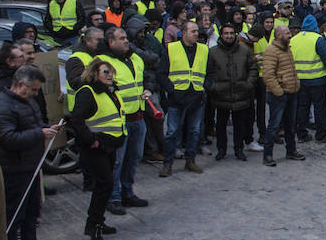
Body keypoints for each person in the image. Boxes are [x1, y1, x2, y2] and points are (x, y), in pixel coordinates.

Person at [0, 65, 60, 240]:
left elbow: (33, 126)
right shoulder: (2, 106)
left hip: (31, 165)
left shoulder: (26, 102)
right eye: (34, 90)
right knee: (14, 213)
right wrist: (40, 134)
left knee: (31, 210)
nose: (36, 94)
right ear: (20, 85)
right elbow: (7, 139)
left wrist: (47, 128)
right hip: (14, 168)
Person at [66, 58, 126, 240]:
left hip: (109, 146)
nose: (110, 75)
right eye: (105, 72)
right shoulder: (87, 92)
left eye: (111, 72)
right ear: (95, 74)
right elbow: (76, 119)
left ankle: (97, 222)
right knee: (104, 184)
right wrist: (91, 141)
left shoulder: (111, 91)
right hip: (96, 148)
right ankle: (94, 226)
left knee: (105, 186)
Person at [104, 26, 151, 216]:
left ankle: (127, 192)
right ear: (111, 42)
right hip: (118, 121)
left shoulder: (135, 58)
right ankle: (113, 198)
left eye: (126, 37)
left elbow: (146, 79)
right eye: (121, 38)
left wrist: (149, 89)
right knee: (117, 162)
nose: (126, 41)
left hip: (138, 117)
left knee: (134, 158)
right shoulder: (104, 63)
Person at [159, 21, 208, 177]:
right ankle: (168, 163)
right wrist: (171, 89)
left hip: (196, 96)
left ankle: (190, 160)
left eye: (197, 31)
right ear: (184, 33)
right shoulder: (172, 49)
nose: (196, 34)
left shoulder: (204, 49)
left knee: (194, 131)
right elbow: (161, 73)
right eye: (193, 31)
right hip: (177, 97)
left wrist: (207, 86)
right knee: (172, 132)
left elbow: (210, 71)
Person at [207, 22, 257, 161]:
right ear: (221, 35)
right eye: (226, 33)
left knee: (239, 124)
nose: (228, 36)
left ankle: (238, 149)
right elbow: (208, 73)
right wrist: (213, 87)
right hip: (221, 94)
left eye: (231, 33)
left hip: (241, 93)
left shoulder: (244, 50)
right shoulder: (213, 52)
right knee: (221, 124)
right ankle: (221, 149)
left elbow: (253, 68)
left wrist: (249, 84)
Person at [260, 23, 305, 167]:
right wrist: (279, 92)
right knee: (274, 126)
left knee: (290, 125)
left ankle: (291, 150)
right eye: (287, 33)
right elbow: (268, 76)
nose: (290, 35)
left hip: (291, 92)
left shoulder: (287, 49)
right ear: (279, 35)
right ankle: (267, 155)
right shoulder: (271, 51)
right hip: (278, 95)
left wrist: (295, 85)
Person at [290, 14, 326, 144]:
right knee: (319, 108)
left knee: (302, 108)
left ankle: (302, 134)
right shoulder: (318, 39)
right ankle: (321, 135)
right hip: (317, 80)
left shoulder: (294, 39)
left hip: (300, 80)